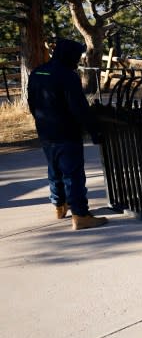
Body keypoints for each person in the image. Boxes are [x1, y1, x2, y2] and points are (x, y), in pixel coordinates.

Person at [27, 37, 107, 229]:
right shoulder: (67, 76)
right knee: (73, 174)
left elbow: (31, 102)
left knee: (54, 169)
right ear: (68, 55)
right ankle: (80, 215)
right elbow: (78, 108)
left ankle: (59, 205)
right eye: (77, 56)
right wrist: (94, 131)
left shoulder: (38, 72)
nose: (78, 59)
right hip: (66, 131)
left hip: (45, 131)